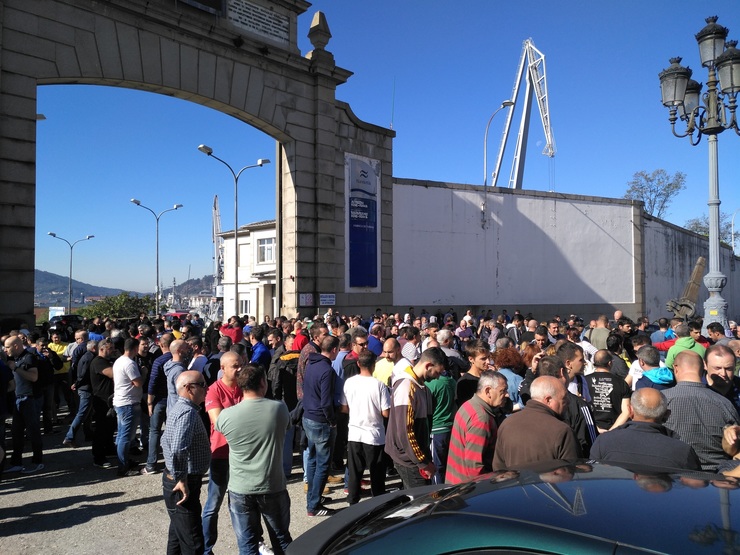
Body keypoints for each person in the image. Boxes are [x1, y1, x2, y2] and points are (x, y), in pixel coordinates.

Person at [215, 364, 292, 555]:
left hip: (240, 488)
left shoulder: (226, 416)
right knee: (282, 539)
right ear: (263, 383)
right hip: (272, 485)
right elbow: (288, 427)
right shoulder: (279, 409)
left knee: (247, 545)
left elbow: (218, 428)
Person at [161, 370, 211, 555]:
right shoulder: (186, 413)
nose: (207, 388)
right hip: (183, 484)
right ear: (189, 388)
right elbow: (177, 448)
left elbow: (164, 441)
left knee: (177, 536)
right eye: (203, 384)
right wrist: (181, 478)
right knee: (193, 541)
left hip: (176, 480)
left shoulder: (179, 409)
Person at [664, 350, 739, 471]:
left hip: (674, 472)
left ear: (676, 368)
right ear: (703, 368)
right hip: (715, 476)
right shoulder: (725, 404)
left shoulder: (661, 400)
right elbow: (734, 444)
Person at [590, 388, 701, 470]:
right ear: (667, 414)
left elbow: (594, 476)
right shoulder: (683, 451)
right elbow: (693, 488)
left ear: (630, 411)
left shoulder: (603, 442)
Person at [385, 347, 448, 489]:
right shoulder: (407, 387)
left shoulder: (422, 387)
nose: (437, 377)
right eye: (437, 372)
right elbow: (405, 432)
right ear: (428, 365)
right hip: (408, 459)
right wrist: (423, 462)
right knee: (420, 503)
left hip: (415, 457)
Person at [202, 352, 244, 555]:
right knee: (213, 503)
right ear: (223, 367)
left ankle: (250, 544)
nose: (239, 369)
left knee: (242, 504)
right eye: (235, 366)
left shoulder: (244, 388)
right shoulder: (213, 391)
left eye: (241, 365)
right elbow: (219, 422)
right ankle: (206, 547)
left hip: (242, 454)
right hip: (221, 453)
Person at [493, 376, 579, 470]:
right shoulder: (562, 430)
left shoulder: (506, 424)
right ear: (548, 400)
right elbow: (570, 474)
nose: (568, 401)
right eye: (564, 398)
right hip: (549, 484)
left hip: (514, 484)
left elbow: (499, 469)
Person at [341, 350, 390, 504]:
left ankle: (353, 502)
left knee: (355, 472)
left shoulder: (349, 382)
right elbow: (386, 412)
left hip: (355, 433)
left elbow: (343, 408)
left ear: (358, 364)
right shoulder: (379, 385)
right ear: (374, 365)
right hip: (374, 435)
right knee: (377, 473)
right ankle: (378, 502)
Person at [445, 371, 509, 484]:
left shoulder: (468, 405)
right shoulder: (481, 419)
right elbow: (475, 467)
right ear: (488, 391)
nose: (507, 394)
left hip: (456, 482)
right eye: (502, 391)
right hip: (467, 490)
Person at [302, 335, 341, 517]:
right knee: (323, 464)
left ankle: (313, 497)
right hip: (321, 420)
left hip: (308, 417)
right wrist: (332, 420)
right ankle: (314, 505)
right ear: (333, 350)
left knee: (312, 460)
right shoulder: (327, 370)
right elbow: (326, 401)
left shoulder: (312, 363)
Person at [5, 336, 43, 473]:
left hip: (29, 399)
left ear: (16, 346)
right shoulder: (12, 359)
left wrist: (15, 368)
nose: (5, 349)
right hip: (17, 399)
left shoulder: (29, 357)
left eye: (8, 347)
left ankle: (37, 461)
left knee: (33, 431)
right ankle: (16, 462)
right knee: (16, 432)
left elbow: (34, 377)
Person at [112, 337, 144, 477]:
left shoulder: (118, 361)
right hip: (128, 403)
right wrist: (144, 372)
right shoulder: (129, 363)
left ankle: (124, 461)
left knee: (121, 435)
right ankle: (123, 466)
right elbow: (138, 383)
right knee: (125, 436)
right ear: (136, 348)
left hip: (121, 401)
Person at [586, 350, 631, 433]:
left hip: (591, 429)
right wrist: (610, 431)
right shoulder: (621, 383)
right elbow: (626, 412)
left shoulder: (584, 381)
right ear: (610, 363)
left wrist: (596, 429)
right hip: (616, 430)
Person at [63, 339, 97, 448]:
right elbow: (83, 374)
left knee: (87, 413)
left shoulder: (87, 356)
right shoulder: (89, 358)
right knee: (82, 414)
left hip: (85, 388)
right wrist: (76, 384)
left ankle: (88, 434)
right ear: (93, 348)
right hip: (85, 389)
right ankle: (69, 437)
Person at [89, 338, 117, 469]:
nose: (112, 351)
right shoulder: (98, 362)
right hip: (101, 400)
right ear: (101, 349)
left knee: (110, 427)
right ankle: (98, 457)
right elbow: (113, 374)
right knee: (101, 429)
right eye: (110, 348)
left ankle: (109, 449)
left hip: (110, 400)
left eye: (112, 348)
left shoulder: (108, 361)